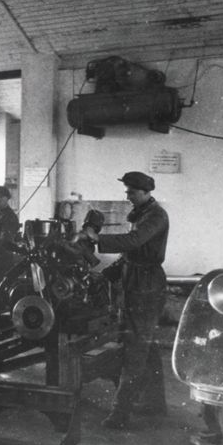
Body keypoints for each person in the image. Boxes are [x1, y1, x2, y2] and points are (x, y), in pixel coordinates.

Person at [82, 171, 169, 429]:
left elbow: (134, 241)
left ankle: (120, 413)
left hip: (147, 285)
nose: (128, 196)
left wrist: (98, 238)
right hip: (135, 280)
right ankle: (155, 403)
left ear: (145, 192)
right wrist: (107, 273)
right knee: (146, 344)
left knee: (136, 348)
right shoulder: (142, 213)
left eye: (131, 192)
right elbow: (131, 254)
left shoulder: (156, 216)